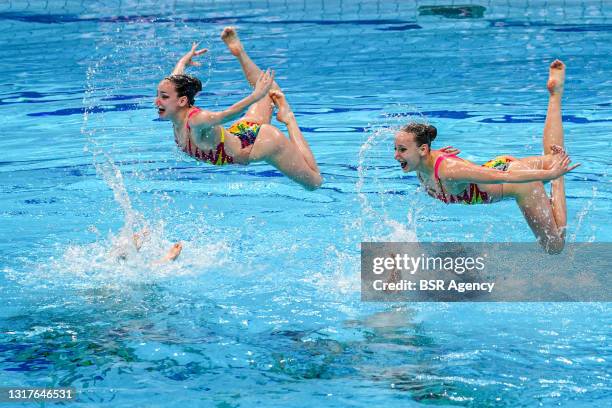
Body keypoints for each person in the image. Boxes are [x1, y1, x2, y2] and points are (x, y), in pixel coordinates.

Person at [393, 60, 579, 254]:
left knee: (554, 247)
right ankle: (555, 95)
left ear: (422, 149)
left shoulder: (448, 170)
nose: (397, 155)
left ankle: (558, 177)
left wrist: (552, 174)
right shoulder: (423, 162)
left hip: (518, 183)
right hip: (500, 165)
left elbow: (504, 177)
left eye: (402, 150)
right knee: (553, 156)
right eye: (396, 149)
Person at [155, 27, 322, 190]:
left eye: (163, 97)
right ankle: (239, 53)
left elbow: (226, 115)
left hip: (264, 143)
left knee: (314, 182)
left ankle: (289, 119)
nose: (157, 102)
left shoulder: (196, 119)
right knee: (270, 88)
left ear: (182, 101)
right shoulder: (177, 113)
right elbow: (173, 82)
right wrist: (183, 62)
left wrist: (255, 97)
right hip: (241, 132)